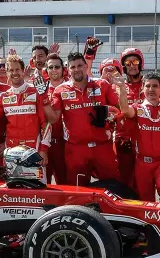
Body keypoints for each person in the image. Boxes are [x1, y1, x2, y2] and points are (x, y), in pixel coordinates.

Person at [45, 51, 127, 184]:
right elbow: (54, 119)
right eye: (73, 67)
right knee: (78, 191)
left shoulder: (102, 84)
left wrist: (110, 117)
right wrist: (43, 98)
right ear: (68, 70)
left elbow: (120, 110)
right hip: (76, 150)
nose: (76, 69)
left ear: (86, 67)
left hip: (102, 147)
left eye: (79, 65)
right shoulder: (60, 90)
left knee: (113, 187)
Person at [118, 71, 160, 202]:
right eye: (147, 86)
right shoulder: (137, 109)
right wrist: (122, 89)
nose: (151, 89)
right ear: (142, 88)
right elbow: (125, 110)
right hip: (143, 163)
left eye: (155, 86)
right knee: (145, 199)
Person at [0, 54, 52, 170]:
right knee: (14, 186)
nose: (15, 73)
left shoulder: (36, 92)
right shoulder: (3, 97)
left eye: (17, 69)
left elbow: (46, 123)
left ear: (23, 71)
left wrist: (44, 150)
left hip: (34, 149)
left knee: (35, 187)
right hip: (12, 152)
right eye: (11, 70)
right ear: (7, 73)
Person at [116, 47, 146, 189]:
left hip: (146, 140)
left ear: (141, 64)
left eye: (135, 61)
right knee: (125, 182)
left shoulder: (150, 85)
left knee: (143, 183)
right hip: (124, 142)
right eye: (128, 63)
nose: (132, 65)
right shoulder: (117, 87)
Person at [42, 53, 68, 185]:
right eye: (50, 67)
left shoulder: (71, 86)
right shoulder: (40, 89)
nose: (54, 70)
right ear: (46, 70)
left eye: (57, 67)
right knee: (43, 183)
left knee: (64, 183)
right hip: (44, 143)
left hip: (64, 143)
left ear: (63, 69)